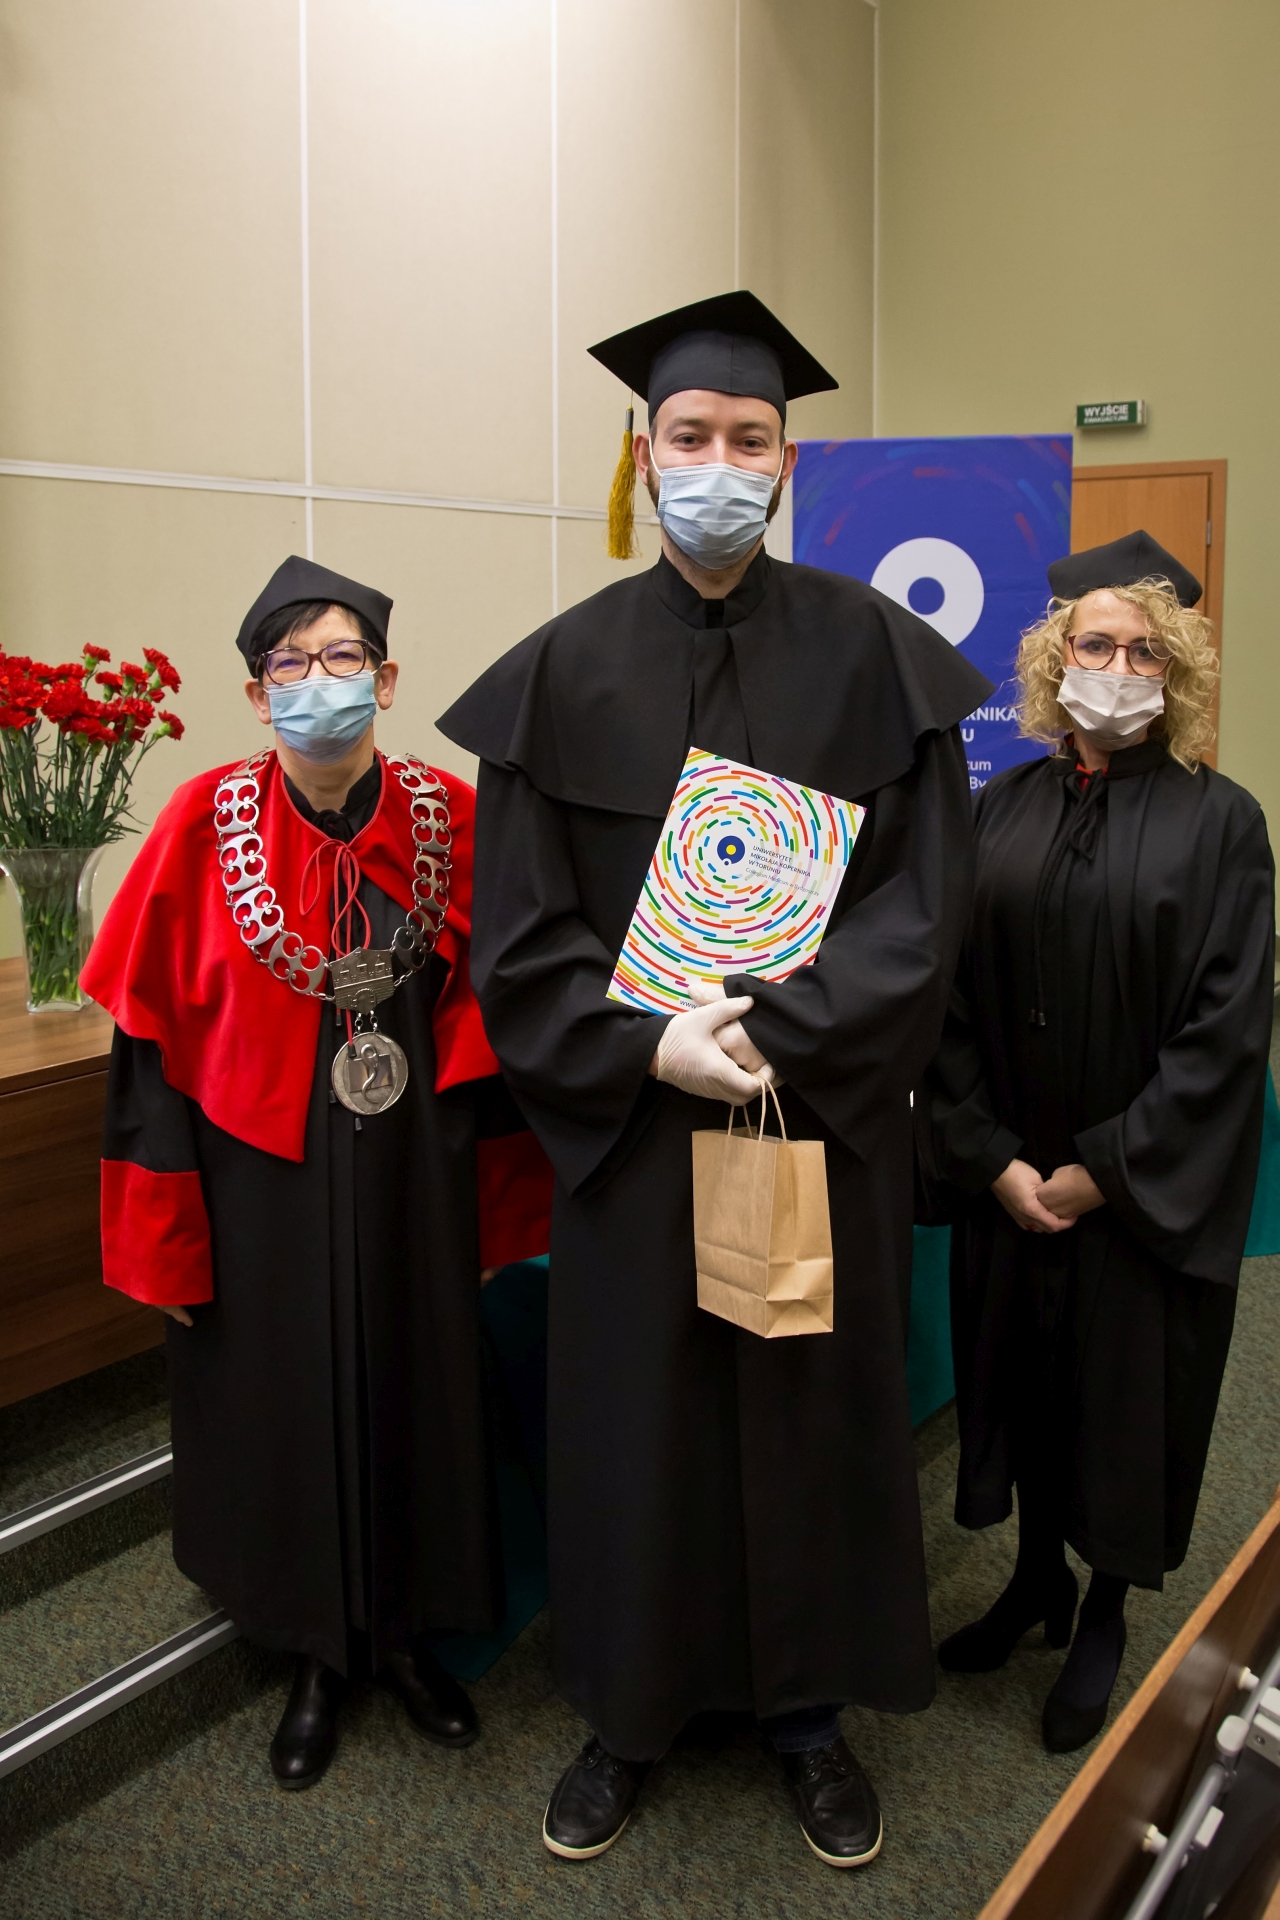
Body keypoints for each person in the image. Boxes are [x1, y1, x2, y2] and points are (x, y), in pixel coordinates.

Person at [437, 291, 992, 1868]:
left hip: (809, 1121)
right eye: (692, 436)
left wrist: (790, 1031)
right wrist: (646, 1047)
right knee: (641, 1424)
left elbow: (924, 904)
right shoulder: (560, 674)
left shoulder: (876, 656)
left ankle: (808, 1718)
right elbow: (521, 934)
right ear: (644, 453)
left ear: (788, 463)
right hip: (636, 1137)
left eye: (752, 440)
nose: (721, 465)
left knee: (808, 1410)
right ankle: (629, 1714)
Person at [82, 556, 551, 1790]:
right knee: (276, 1402)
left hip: (413, 1176)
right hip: (258, 1184)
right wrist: (166, 1238)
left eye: (342, 658)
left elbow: (510, 1015)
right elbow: (147, 1053)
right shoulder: (203, 824)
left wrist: (499, 1203)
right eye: (288, 665)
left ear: (385, 681)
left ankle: (403, 1637)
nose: (316, 682)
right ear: (256, 695)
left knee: (418, 1383)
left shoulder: (450, 817)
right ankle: (311, 1652)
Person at [916, 531, 1275, 1752]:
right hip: (1011, 1174)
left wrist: (1100, 1172)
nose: (1115, 669)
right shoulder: (997, 807)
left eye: (1141, 652)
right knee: (1017, 1380)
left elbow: (1224, 1031)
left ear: (1173, 673)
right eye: (1094, 644)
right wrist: (990, 1156)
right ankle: (1033, 1581)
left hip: (1129, 1194)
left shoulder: (1220, 824)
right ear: (1052, 658)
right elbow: (944, 999)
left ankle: (1105, 1609)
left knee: (1122, 1406)